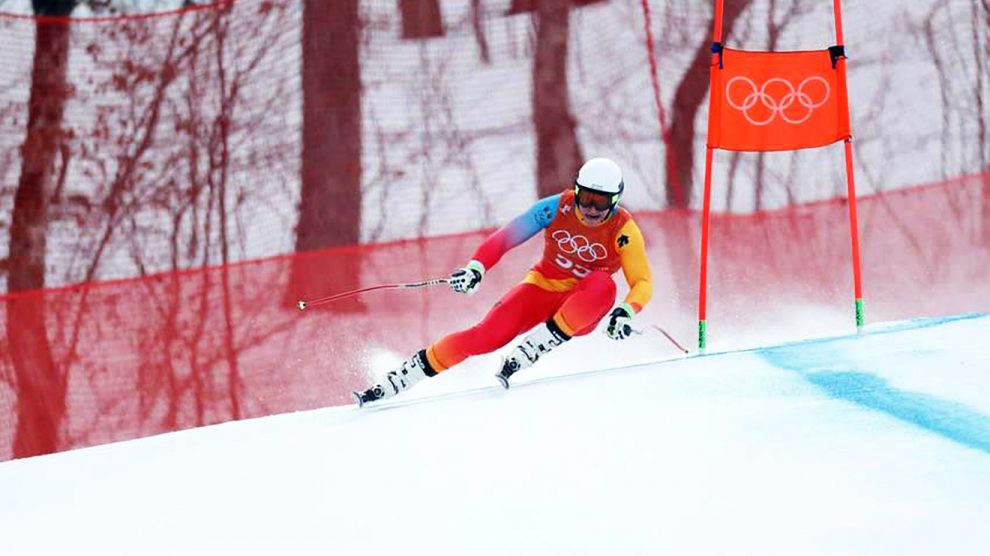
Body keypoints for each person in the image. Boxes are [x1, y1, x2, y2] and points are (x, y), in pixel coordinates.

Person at [354, 157, 653, 406]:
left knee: (604, 283)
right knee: (484, 337)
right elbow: (507, 236)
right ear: (575, 191)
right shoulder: (556, 207)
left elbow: (641, 281)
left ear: (614, 201)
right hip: (540, 288)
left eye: (600, 203)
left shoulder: (623, 229)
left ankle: (538, 345)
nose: (590, 209)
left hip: (581, 308)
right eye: (585, 198)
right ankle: (402, 377)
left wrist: (626, 311)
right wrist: (476, 267)